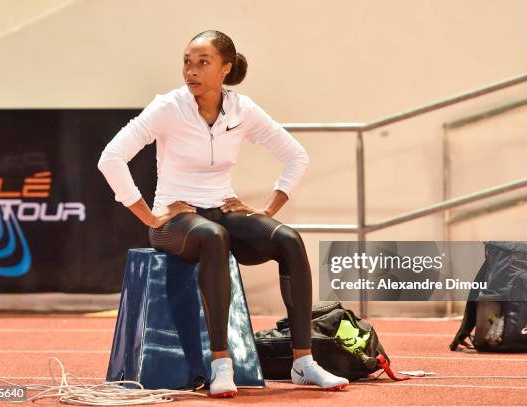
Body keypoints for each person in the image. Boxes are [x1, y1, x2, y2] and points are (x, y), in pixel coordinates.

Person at [97, 29, 349, 397]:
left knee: (289, 240)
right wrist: (149, 216)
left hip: (223, 209)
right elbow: (111, 158)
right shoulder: (169, 107)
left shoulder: (241, 109)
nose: (191, 71)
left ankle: (303, 362)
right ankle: (221, 364)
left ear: (225, 69)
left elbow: (296, 155)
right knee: (214, 237)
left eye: (203, 63)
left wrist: (267, 208)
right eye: (187, 62)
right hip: (176, 223)